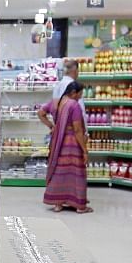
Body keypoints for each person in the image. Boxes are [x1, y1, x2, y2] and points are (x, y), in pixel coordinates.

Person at [38, 81, 91, 213]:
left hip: (57, 143)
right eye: (80, 94)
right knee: (76, 172)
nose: (80, 97)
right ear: (73, 93)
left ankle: (58, 204)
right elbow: (78, 130)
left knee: (59, 171)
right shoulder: (74, 105)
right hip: (72, 143)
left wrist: (51, 126)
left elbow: (40, 113)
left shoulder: (56, 102)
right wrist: (84, 150)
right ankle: (79, 206)